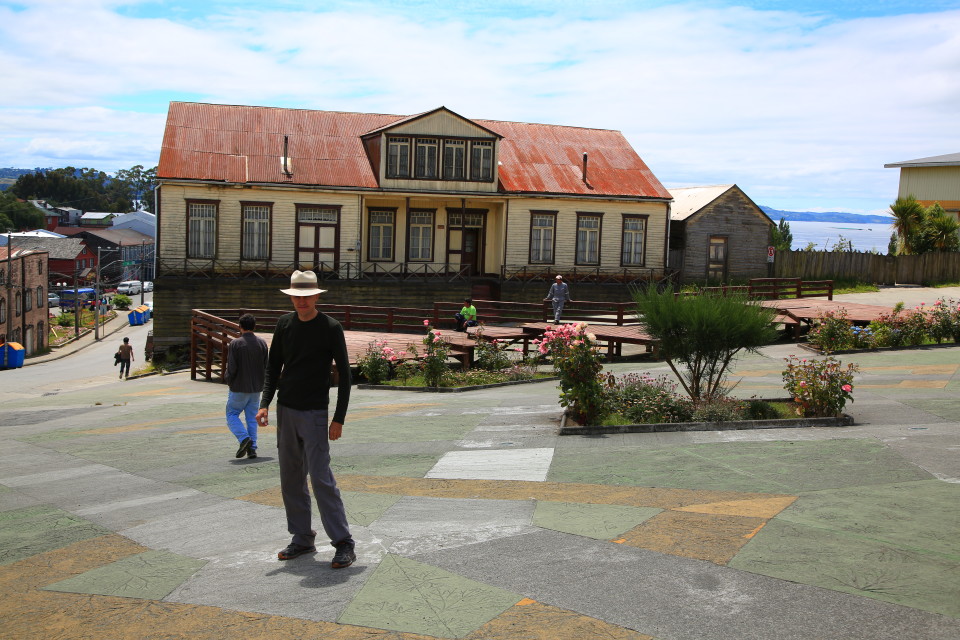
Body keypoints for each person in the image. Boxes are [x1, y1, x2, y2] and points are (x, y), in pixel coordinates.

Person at [256, 270, 356, 569]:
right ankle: (302, 537)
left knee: (320, 477)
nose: (302, 301)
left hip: (314, 412)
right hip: (286, 410)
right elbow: (274, 368)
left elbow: (346, 375)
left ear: (316, 296)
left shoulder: (330, 327)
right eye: (297, 297)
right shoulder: (284, 324)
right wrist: (264, 404)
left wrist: (338, 418)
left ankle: (343, 542)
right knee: (290, 477)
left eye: (306, 296)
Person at [225, 314, 268, 460]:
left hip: (238, 386)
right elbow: (265, 366)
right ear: (254, 326)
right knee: (251, 417)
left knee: (232, 414)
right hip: (256, 387)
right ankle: (252, 449)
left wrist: (229, 380)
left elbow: (232, 367)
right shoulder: (262, 343)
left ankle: (244, 439)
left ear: (240, 326)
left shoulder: (236, 344)